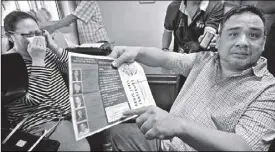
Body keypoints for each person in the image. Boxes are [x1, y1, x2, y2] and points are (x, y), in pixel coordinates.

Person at [109, 6, 275, 151]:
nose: (243, 42)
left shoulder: (268, 90)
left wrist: (178, 125)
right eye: (233, 34)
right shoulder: (204, 60)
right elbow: (165, 58)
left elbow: (246, 147)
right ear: (218, 40)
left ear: (264, 42)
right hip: (167, 143)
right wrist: (137, 51)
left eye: (253, 35)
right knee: (117, 134)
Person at [3, 11, 90, 151]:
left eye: (37, 33)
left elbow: (77, 69)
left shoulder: (47, 52)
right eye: (28, 35)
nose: (34, 38)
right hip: (39, 122)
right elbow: (34, 99)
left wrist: (54, 47)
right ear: (10, 36)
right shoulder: (7, 64)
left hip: (69, 113)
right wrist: (37, 60)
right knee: (80, 149)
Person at [41, 1, 109, 44]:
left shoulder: (88, 1)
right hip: (89, 43)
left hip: (98, 42)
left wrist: (52, 27)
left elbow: (71, 18)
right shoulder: (78, 3)